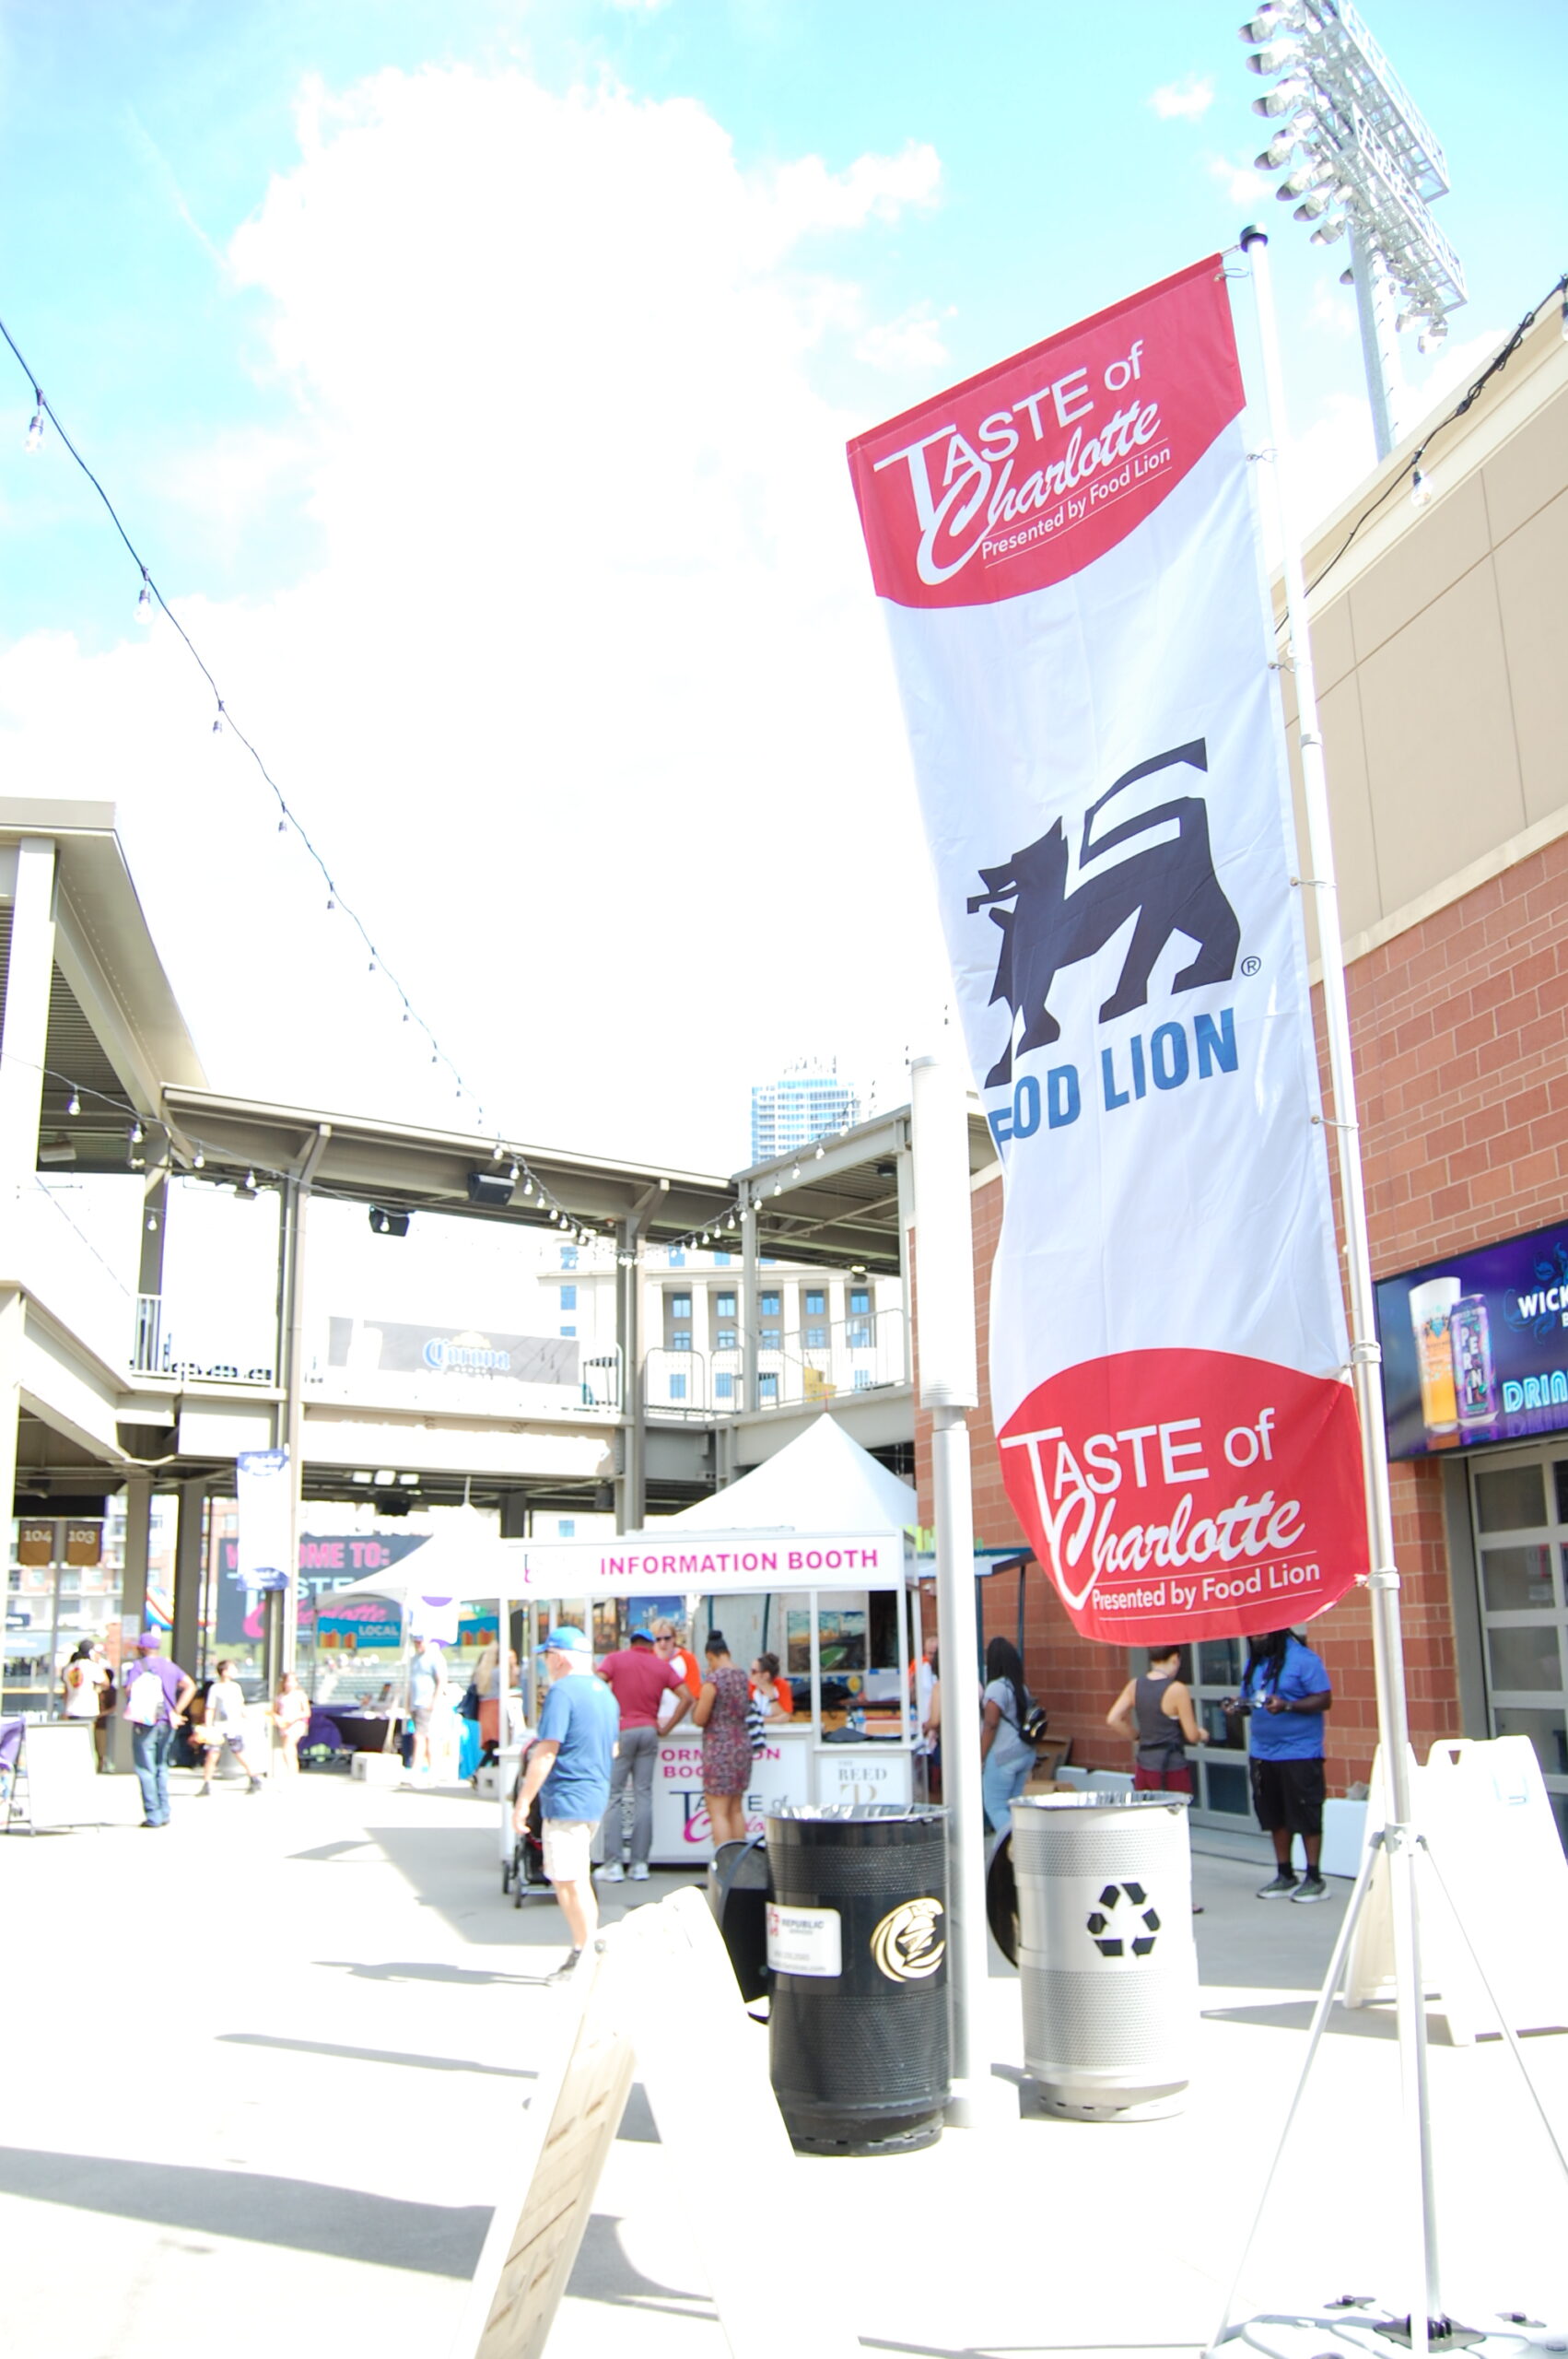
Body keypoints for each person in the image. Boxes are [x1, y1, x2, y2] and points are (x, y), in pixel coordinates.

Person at [512, 1625, 620, 1982]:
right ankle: (588, 1949)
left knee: (568, 1879)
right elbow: (612, 1748)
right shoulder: (604, 1693)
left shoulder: (561, 1693)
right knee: (573, 1876)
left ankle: (585, 1952)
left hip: (568, 1795)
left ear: (559, 1658)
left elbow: (546, 1751)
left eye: (547, 1657)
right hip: (592, 1793)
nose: (546, 1664)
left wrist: (523, 1802)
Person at [1223, 1626, 1334, 1903]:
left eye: (1260, 1635)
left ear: (1277, 1634)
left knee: (1306, 1814)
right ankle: (1285, 1874)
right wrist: (1239, 1706)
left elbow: (1324, 1699)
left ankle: (1314, 1877)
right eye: (1252, 1636)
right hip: (1264, 1752)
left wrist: (1287, 1706)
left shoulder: (1304, 1660)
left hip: (1300, 1752)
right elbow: (1253, 1701)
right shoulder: (1256, 1663)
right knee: (1274, 1816)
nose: (1255, 1639)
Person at [595, 1627, 690, 1882]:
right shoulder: (660, 1666)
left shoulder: (615, 1659)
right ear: (650, 1645)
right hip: (649, 1730)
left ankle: (614, 1864)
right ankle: (640, 1864)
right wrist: (666, 1728)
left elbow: (597, 1683)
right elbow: (687, 1697)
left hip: (622, 1728)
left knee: (614, 1795)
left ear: (631, 1642)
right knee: (643, 1795)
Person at [1107, 1643, 1208, 1792]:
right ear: (1174, 1659)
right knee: (1175, 1814)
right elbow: (1192, 1735)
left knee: (1147, 1814)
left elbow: (1113, 1719)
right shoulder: (1177, 1689)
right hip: (1170, 1768)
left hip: (1144, 1766)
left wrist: (1137, 1736)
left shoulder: (1134, 1685)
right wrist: (1203, 1734)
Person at [121, 1633, 195, 1828]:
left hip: (146, 1721)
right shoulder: (170, 1666)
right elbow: (190, 1686)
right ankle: (164, 1811)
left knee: (146, 1767)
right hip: (168, 1720)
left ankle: (153, 1814)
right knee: (162, 1766)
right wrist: (176, 1711)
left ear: (142, 1648)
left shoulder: (138, 1666)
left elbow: (129, 1691)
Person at [693, 1630, 753, 1848]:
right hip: (742, 1745)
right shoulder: (742, 1676)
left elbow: (700, 1717)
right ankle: (740, 1865)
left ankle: (726, 1867)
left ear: (710, 1656)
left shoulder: (713, 1680)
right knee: (736, 1808)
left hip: (719, 1748)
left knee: (717, 1811)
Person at [979, 1635, 1038, 1834]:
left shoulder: (996, 1688)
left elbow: (991, 1723)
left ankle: (1012, 1848)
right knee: (1013, 1808)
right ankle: (1021, 1846)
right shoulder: (1021, 1687)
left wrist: (980, 1755)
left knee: (995, 1807)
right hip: (1025, 1753)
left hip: (1003, 1755)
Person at [199, 1660, 263, 1795]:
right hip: (218, 1725)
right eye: (232, 1669)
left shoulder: (235, 1687)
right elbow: (210, 1707)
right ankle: (207, 1782)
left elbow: (240, 1705)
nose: (235, 1671)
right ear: (225, 1671)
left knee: (238, 1751)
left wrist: (246, 1716)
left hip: (233, 1725)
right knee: (212, 1754)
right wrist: (209, 1725)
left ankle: (254, 1776)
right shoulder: (215, 1688)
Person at [404, 1634, 447, 1778]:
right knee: (424, 1736)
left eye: (420, 1642)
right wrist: (408, 1702)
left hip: (427, 1702)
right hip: (416, 1702)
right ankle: (432, 1768)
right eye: (416, 1642)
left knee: (420, 1736)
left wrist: (434, 1700)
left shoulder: (434, 1657)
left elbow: (441, 1680)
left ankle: (417, 1767)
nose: (418, 1645)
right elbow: (411, 1682)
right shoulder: (415, 1659)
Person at [474, 1630, 519, 1765]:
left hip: (485, 1708)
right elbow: (511, 1684)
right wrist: (512, 1666)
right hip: (496, 1707)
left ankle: (482, 1771)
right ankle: (481, 1771)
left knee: (493, 1743)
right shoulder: (499, 1672)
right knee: (499, 1742)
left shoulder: (482, 1672)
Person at [60, 1639, 106, 1731]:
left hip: (72, 1709)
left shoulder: (69, 1667)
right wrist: (98, 1663)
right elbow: (105, 1683)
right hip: (87, 1709)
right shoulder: (92, 1666)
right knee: (87, 1738)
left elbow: (66, 1692)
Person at [270, 1670, 310, 1773]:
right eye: (287, 1681)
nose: (290, 1684)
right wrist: (278, 1718)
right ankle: (290, 1769)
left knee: (289, 1747)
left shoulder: (300, 1695)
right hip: (284, 1724)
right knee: (288, 1748)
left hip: (296, 1723)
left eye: (292, 1681)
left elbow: (306, 1712)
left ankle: (292, 1770)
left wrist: (293, 1718)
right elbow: (274, 1711)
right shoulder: (280, 1696)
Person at [749, 1651, 793, 1719]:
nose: (750, 1675)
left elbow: (786, 1717)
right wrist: (775, 1719)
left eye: (753, 1672)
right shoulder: (748, 1685)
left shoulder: (782, 1685)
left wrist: (772, 1697)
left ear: (765, 1675)